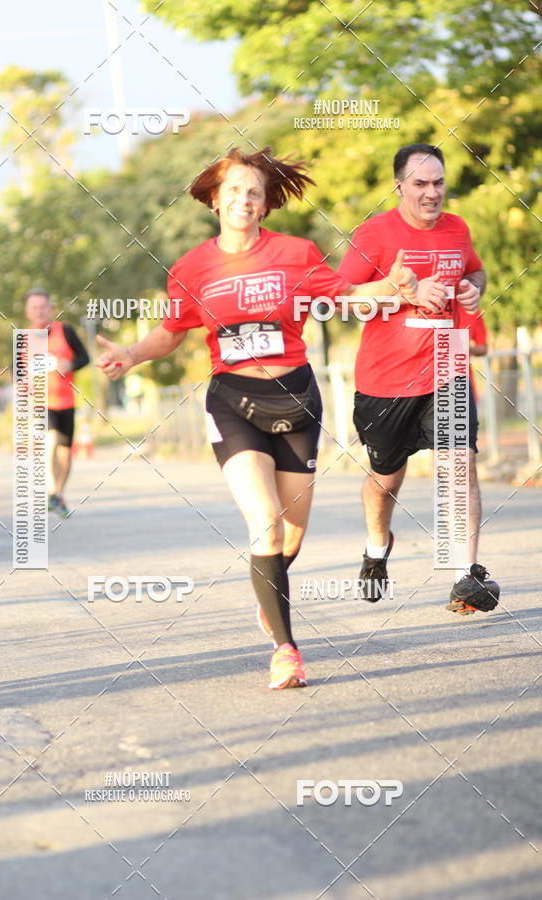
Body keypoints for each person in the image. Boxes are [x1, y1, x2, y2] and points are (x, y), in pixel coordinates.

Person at [96, 146, 419, 689]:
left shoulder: (296, 252)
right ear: (215, 201)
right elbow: (171, 332)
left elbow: (342, 296)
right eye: (234, 191)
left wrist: (389, 288)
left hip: (295, 400)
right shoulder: (192, 267)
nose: (243, 199)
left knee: (289, 539)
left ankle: (268, 592)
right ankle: (286, 649)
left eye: (254, 191)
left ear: (266, 204)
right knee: (265, 522)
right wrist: (130, 354)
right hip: (233, 401)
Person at [338, 142, 500, 615]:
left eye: (439, 183)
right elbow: (345, 298)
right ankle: (375, 548)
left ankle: (463, 577)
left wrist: (473, 289)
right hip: (386, 379)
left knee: (459, 466)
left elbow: (477, 270)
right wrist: (402, 291)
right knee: (385, 479)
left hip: (447, 364)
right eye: (421, 184)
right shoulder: (374, 234)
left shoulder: (457, 229)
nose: (432, 193)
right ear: (399, 186)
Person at [24, 289, 89, 517]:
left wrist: (70, 365)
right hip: (41, 401)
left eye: (43, 307)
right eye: (35, 308)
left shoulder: (66, 331)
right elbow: (18, 371)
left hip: (66, 400)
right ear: (28, 312)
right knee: (50, 441)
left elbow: (84, 357)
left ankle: (58, 494)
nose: (39, 311)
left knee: (65, 452)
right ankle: (51, 490)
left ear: (50, 308)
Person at [455, 305, 488, 402]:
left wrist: (465, 349)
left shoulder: (472, 308)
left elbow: (483, 347)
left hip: (462, 379)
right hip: (427, 381)